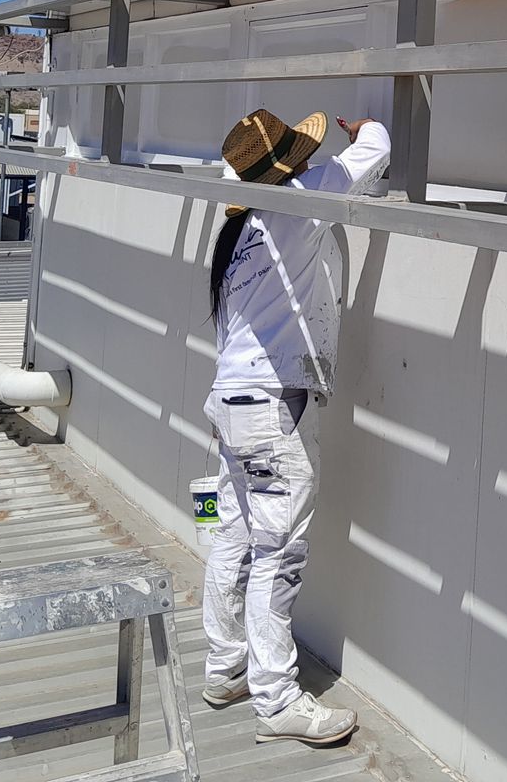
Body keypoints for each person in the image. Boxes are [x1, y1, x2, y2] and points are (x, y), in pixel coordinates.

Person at [200, 107, 390, 746]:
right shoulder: (296, 203)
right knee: (278, 552)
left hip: (231, 403)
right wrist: (366, 128)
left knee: (233, 534)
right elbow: (369, 158)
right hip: (266, 407)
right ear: (289, 165)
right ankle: (277, 700)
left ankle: (225, 668)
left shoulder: (240, 231)